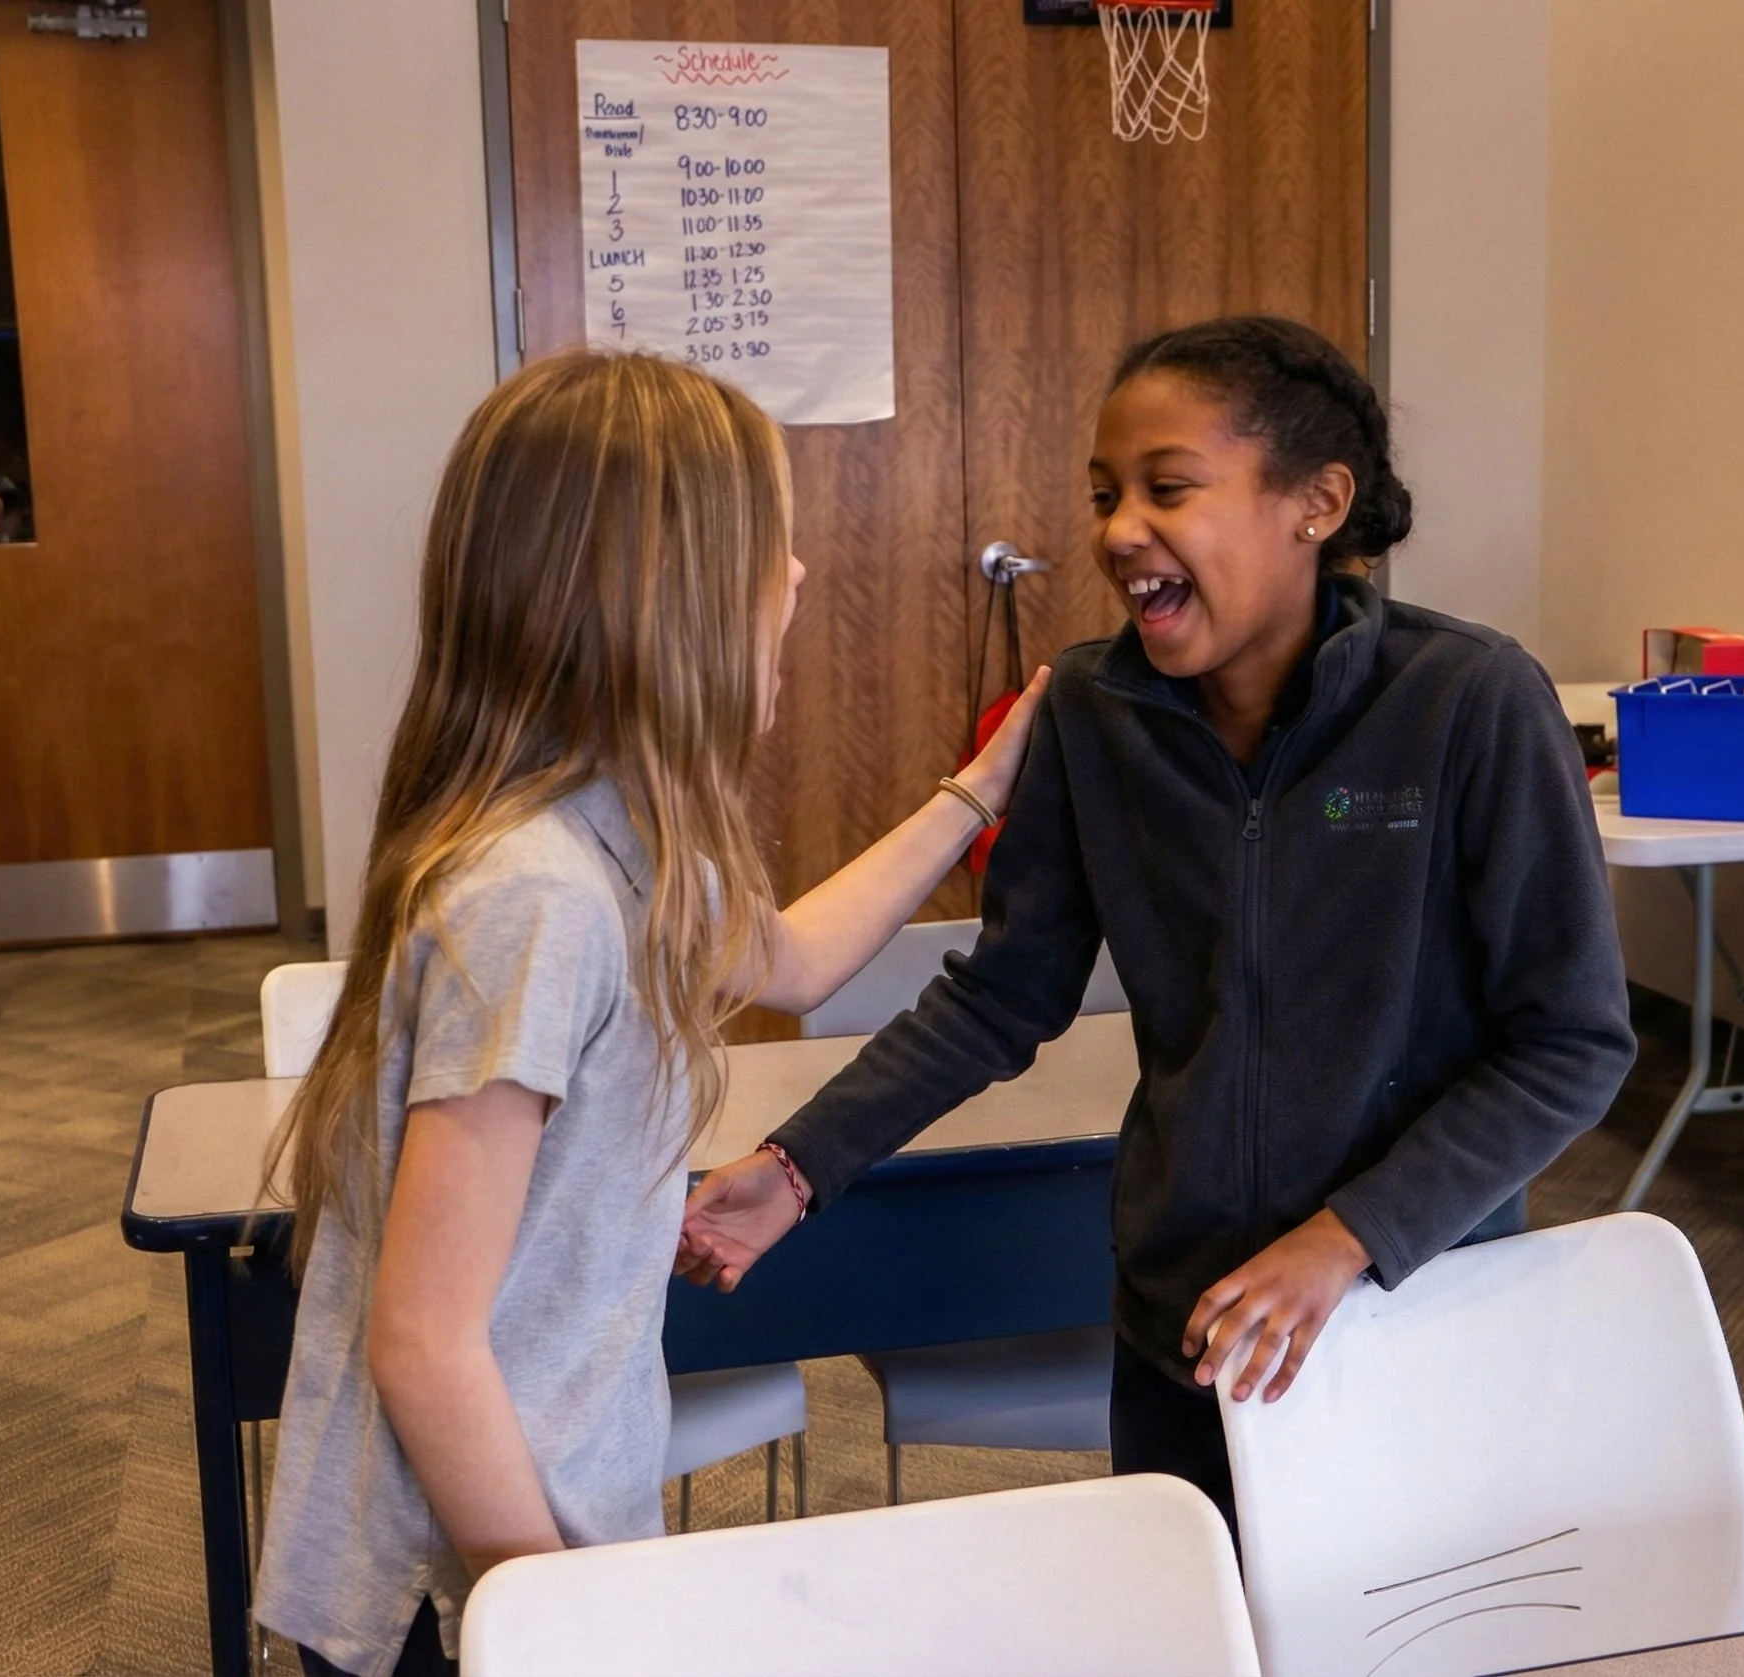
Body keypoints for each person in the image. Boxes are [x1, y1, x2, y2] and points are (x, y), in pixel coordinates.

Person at [679, 315, 1637, 1532]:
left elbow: (1569, 1045)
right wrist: (797, 1167)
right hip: (1183, 1308)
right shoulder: (1096, 709)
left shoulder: (1466, 702)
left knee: (1397, 1627)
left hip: (1408, 1296)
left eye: (1168, 488)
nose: (1118, 530)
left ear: (1317, 503)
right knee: (1200, 1620)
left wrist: (1346, 1239)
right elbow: (1003, 994)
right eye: (1104, 494)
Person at [252, 349, 1048, 1677]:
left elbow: (789, 961)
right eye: (769, 550)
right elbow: (425, 1338)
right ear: (661, 599)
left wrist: (979, 785)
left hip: (535, 1540)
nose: (796, 579)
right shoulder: (536, 894)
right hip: (461, 1593)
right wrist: (558, 1614)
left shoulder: (625, 828)